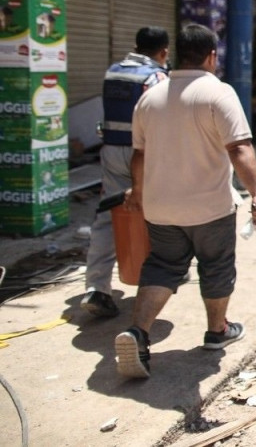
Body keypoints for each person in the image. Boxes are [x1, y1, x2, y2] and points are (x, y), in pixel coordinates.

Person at [114, 24, 256, 379]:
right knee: (215, 266)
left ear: (177, 54)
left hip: (160, 208)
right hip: (209, 208)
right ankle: (217, 331)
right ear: (212, 56)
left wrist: (137, 192)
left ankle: (138, 332)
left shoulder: (150, 98)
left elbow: (138, 155)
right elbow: (240, 147)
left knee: (163, 267)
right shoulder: (218, 93)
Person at [81, 27, 170, 318]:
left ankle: (97, 288)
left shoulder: (113, 71)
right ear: (164, 52)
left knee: (108, 216)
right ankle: (154, 282)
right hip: (141, 156)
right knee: (156, 217)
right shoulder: (156, 77)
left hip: (110, 152)